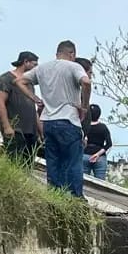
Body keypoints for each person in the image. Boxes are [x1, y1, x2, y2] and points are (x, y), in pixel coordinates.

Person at [17, 40, 91, 197]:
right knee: (73, 162)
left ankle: (55, 196)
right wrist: (84, 106)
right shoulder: (74, 66)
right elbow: (86, 82)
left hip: (48, 122)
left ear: (57, 53)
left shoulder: (42, 68)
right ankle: (76, 197)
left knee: (53, 162)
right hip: (68, 120)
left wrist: (36, 99)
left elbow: (19, 81)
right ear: (72, 54)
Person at [0, 51, 40, 164]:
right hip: (15, 128)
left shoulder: (29, 82)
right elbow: (0, 102)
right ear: (26, 62)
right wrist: (7, 126)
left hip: (30, 131)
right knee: (14, 162)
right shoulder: (5, 79)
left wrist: (40, 130)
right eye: (34, 65)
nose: (36, 68)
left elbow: (32, 108)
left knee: (28, 163)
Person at [82, 104, 112, 179]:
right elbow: (109, 144)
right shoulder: (103, 127)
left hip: (85, 155)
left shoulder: (83, 126)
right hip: (100, 157)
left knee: (83, 181)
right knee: (100, 182)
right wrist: (97, 154)